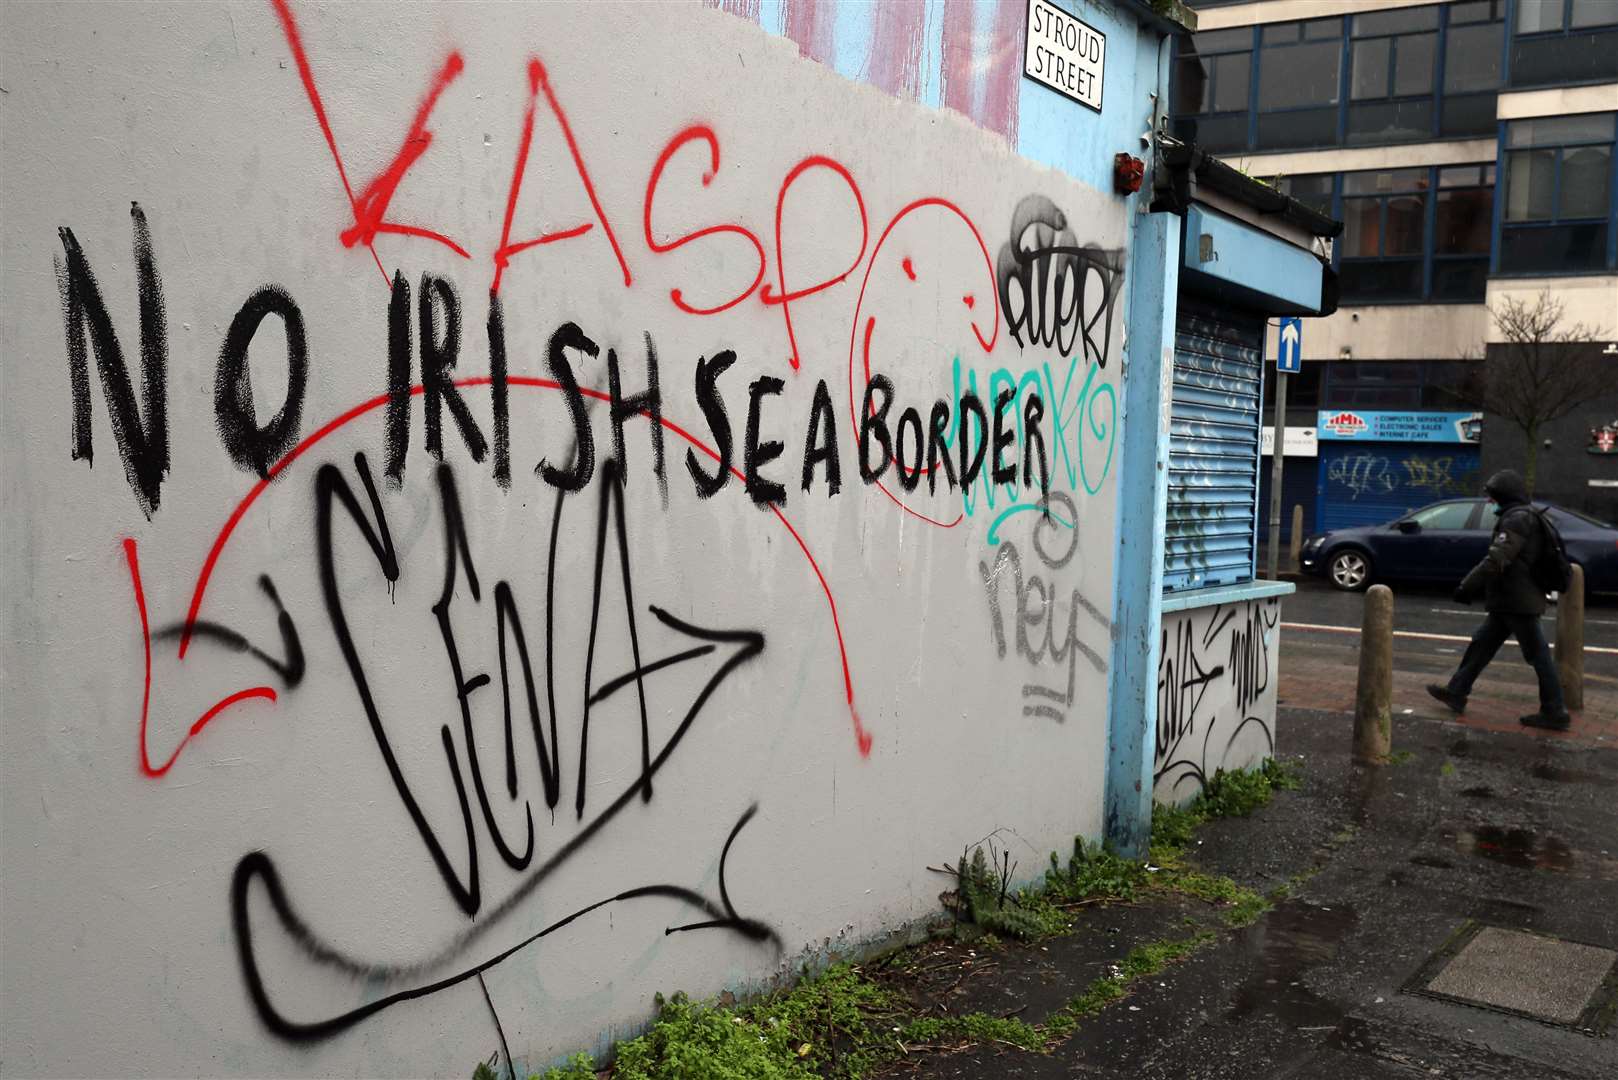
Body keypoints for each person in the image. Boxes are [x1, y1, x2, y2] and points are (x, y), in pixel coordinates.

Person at [1427, 469, 1570, 730]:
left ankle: (1554, 710)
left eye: (1493, 496)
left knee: (1538, 655)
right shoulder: (1522, 515)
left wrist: (1467, 586)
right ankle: (1457, 691)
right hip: (1510, 600)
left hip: (1517, 601)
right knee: (1481, 645)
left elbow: (1497, 560)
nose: (1490, 502)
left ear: (1505, 495)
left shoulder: (1516, 519)